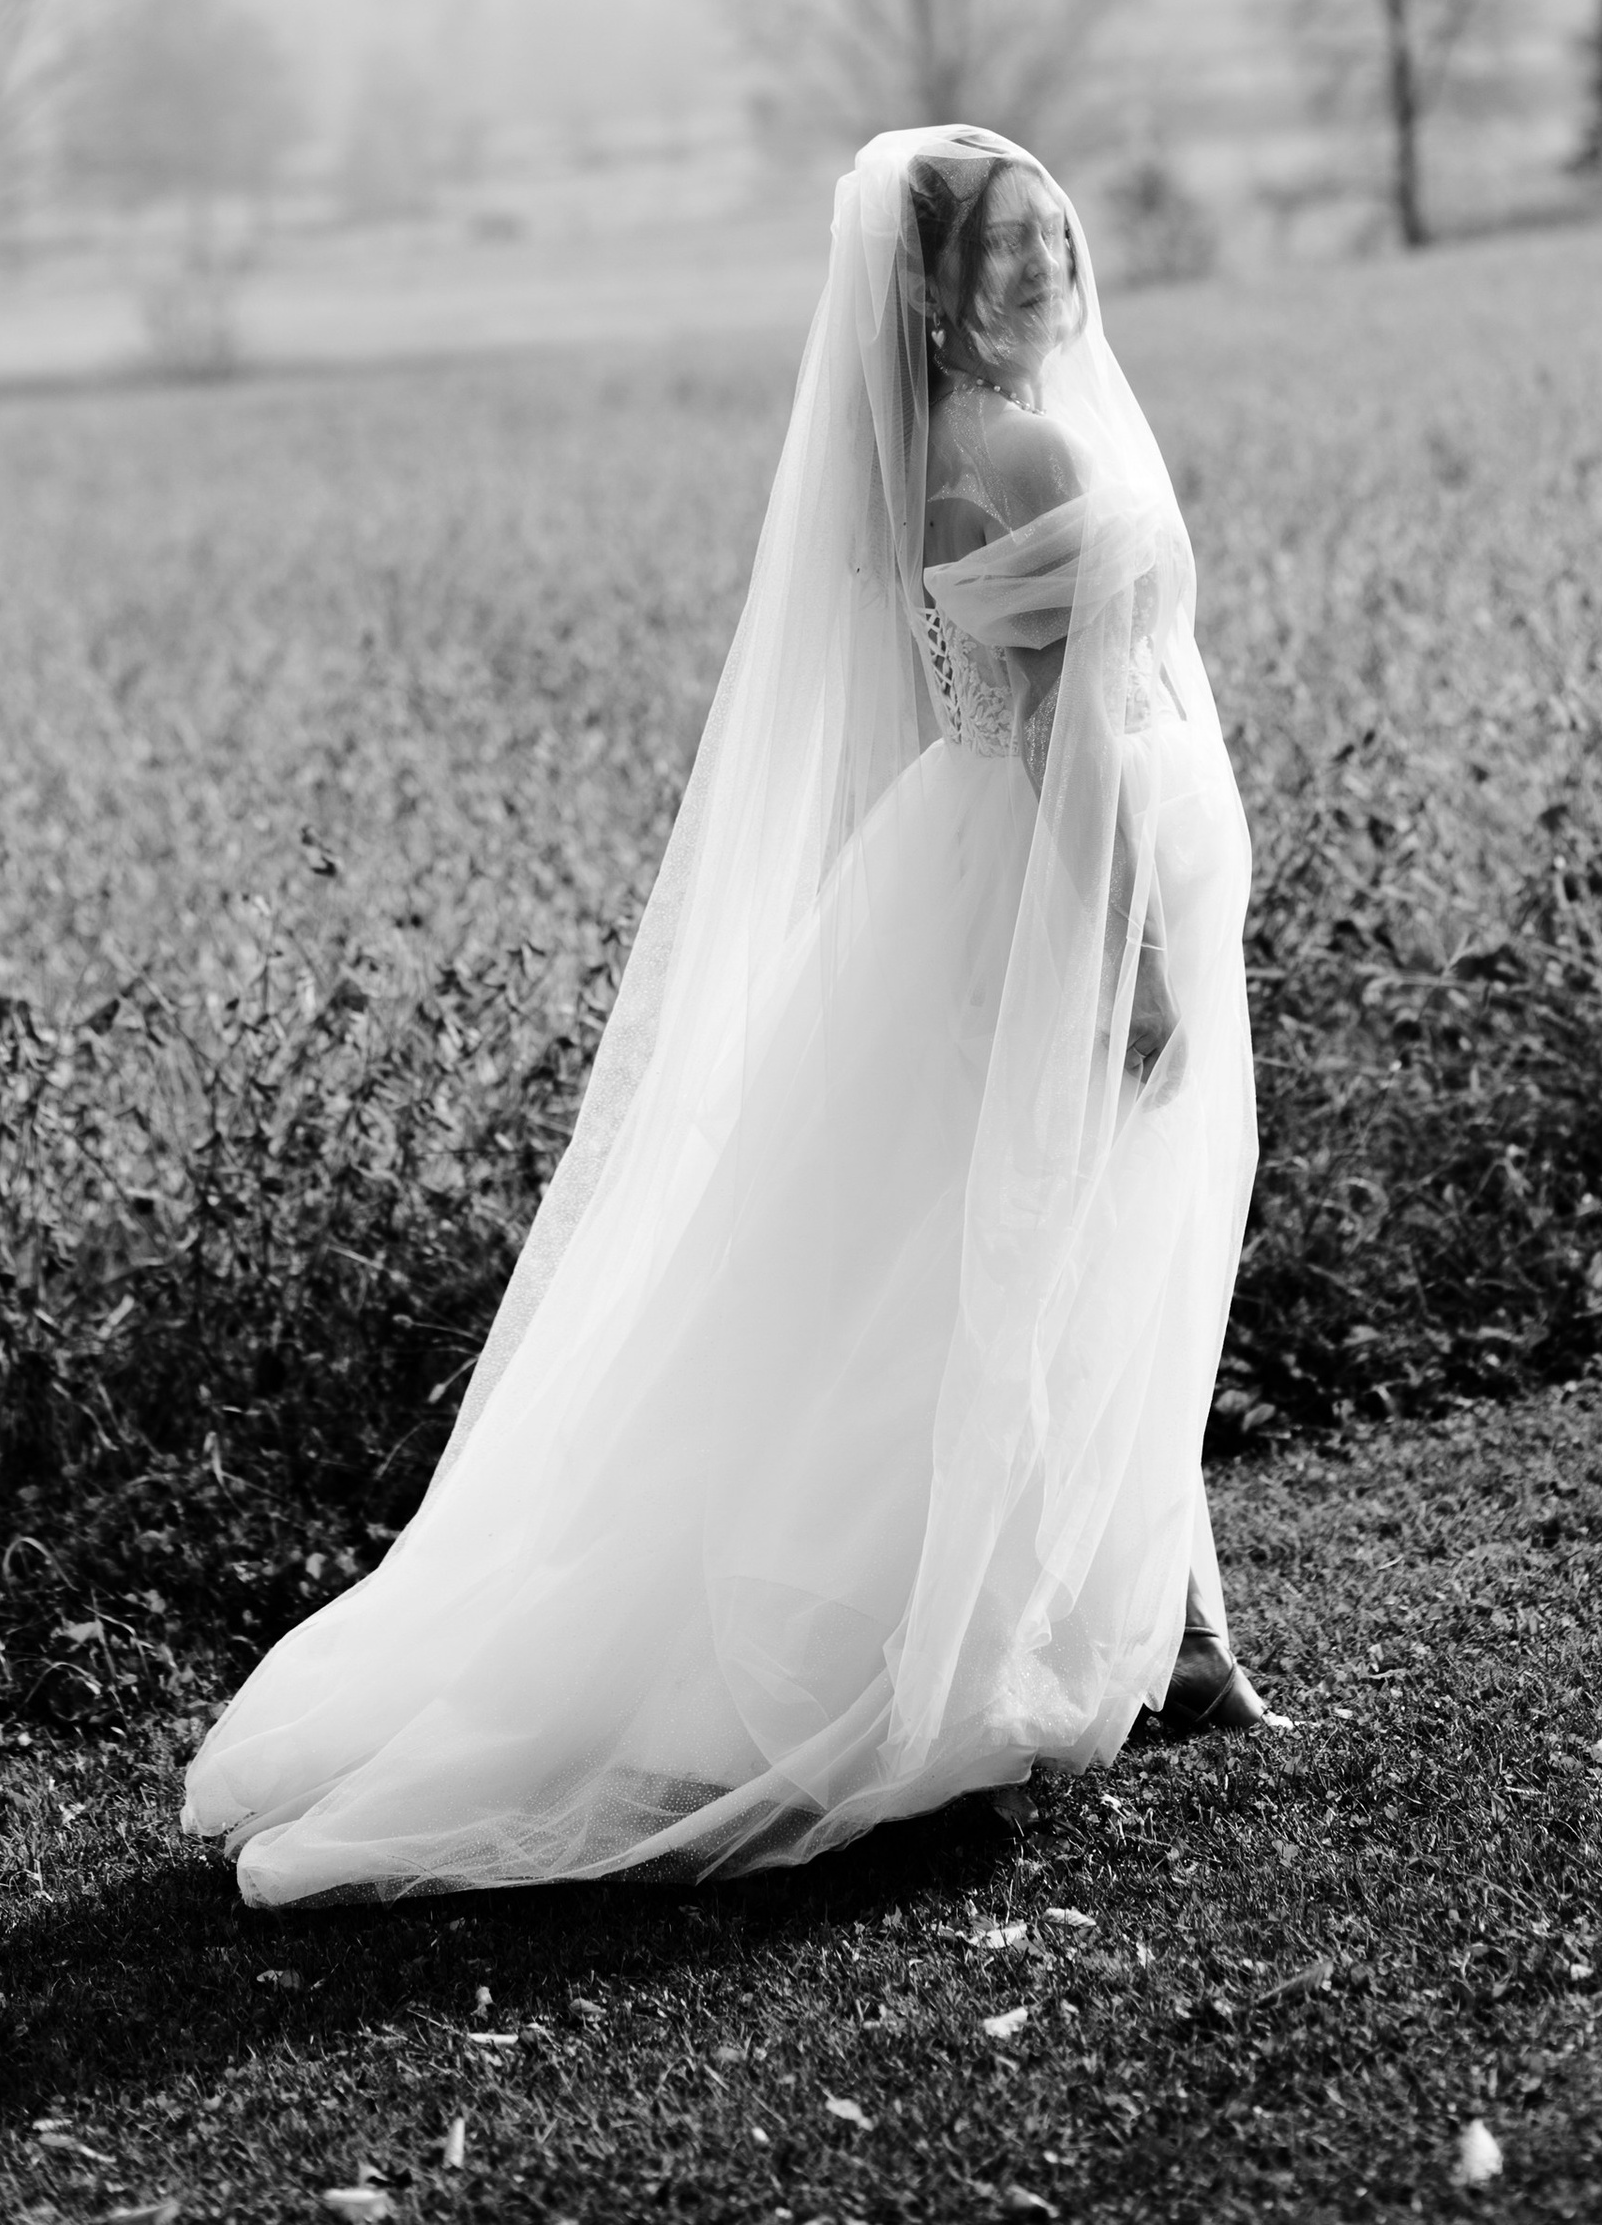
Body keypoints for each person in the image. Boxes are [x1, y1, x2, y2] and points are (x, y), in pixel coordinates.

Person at [182, 124, 1263, 1901]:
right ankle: (955, 1660)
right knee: (1041, 1262)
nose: (1047, 265)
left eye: (1053, 233)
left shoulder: (929, 447)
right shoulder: (1035, 447)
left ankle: (1175, 1633)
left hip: (971, 875)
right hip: (1065, 898)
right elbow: (1070, 741)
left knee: (1035, 1259)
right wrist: (1128, 957)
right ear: (933, 291)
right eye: (1003, 247)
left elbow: (985, 713)